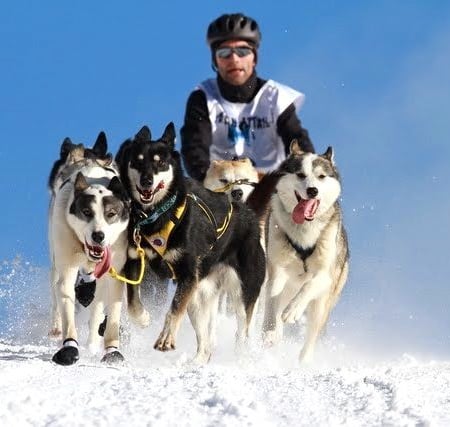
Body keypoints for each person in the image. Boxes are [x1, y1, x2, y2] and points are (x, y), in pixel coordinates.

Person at [180, 12, 315, 181]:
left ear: (254, 58)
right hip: (222, 185)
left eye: (242, 51)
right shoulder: (202, 98)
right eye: (224, 53)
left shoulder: (276, 97)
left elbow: (299, 146)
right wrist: (209, 184)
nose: (234, 59)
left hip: (271, 187)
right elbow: (194, 149)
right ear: (215, 61)